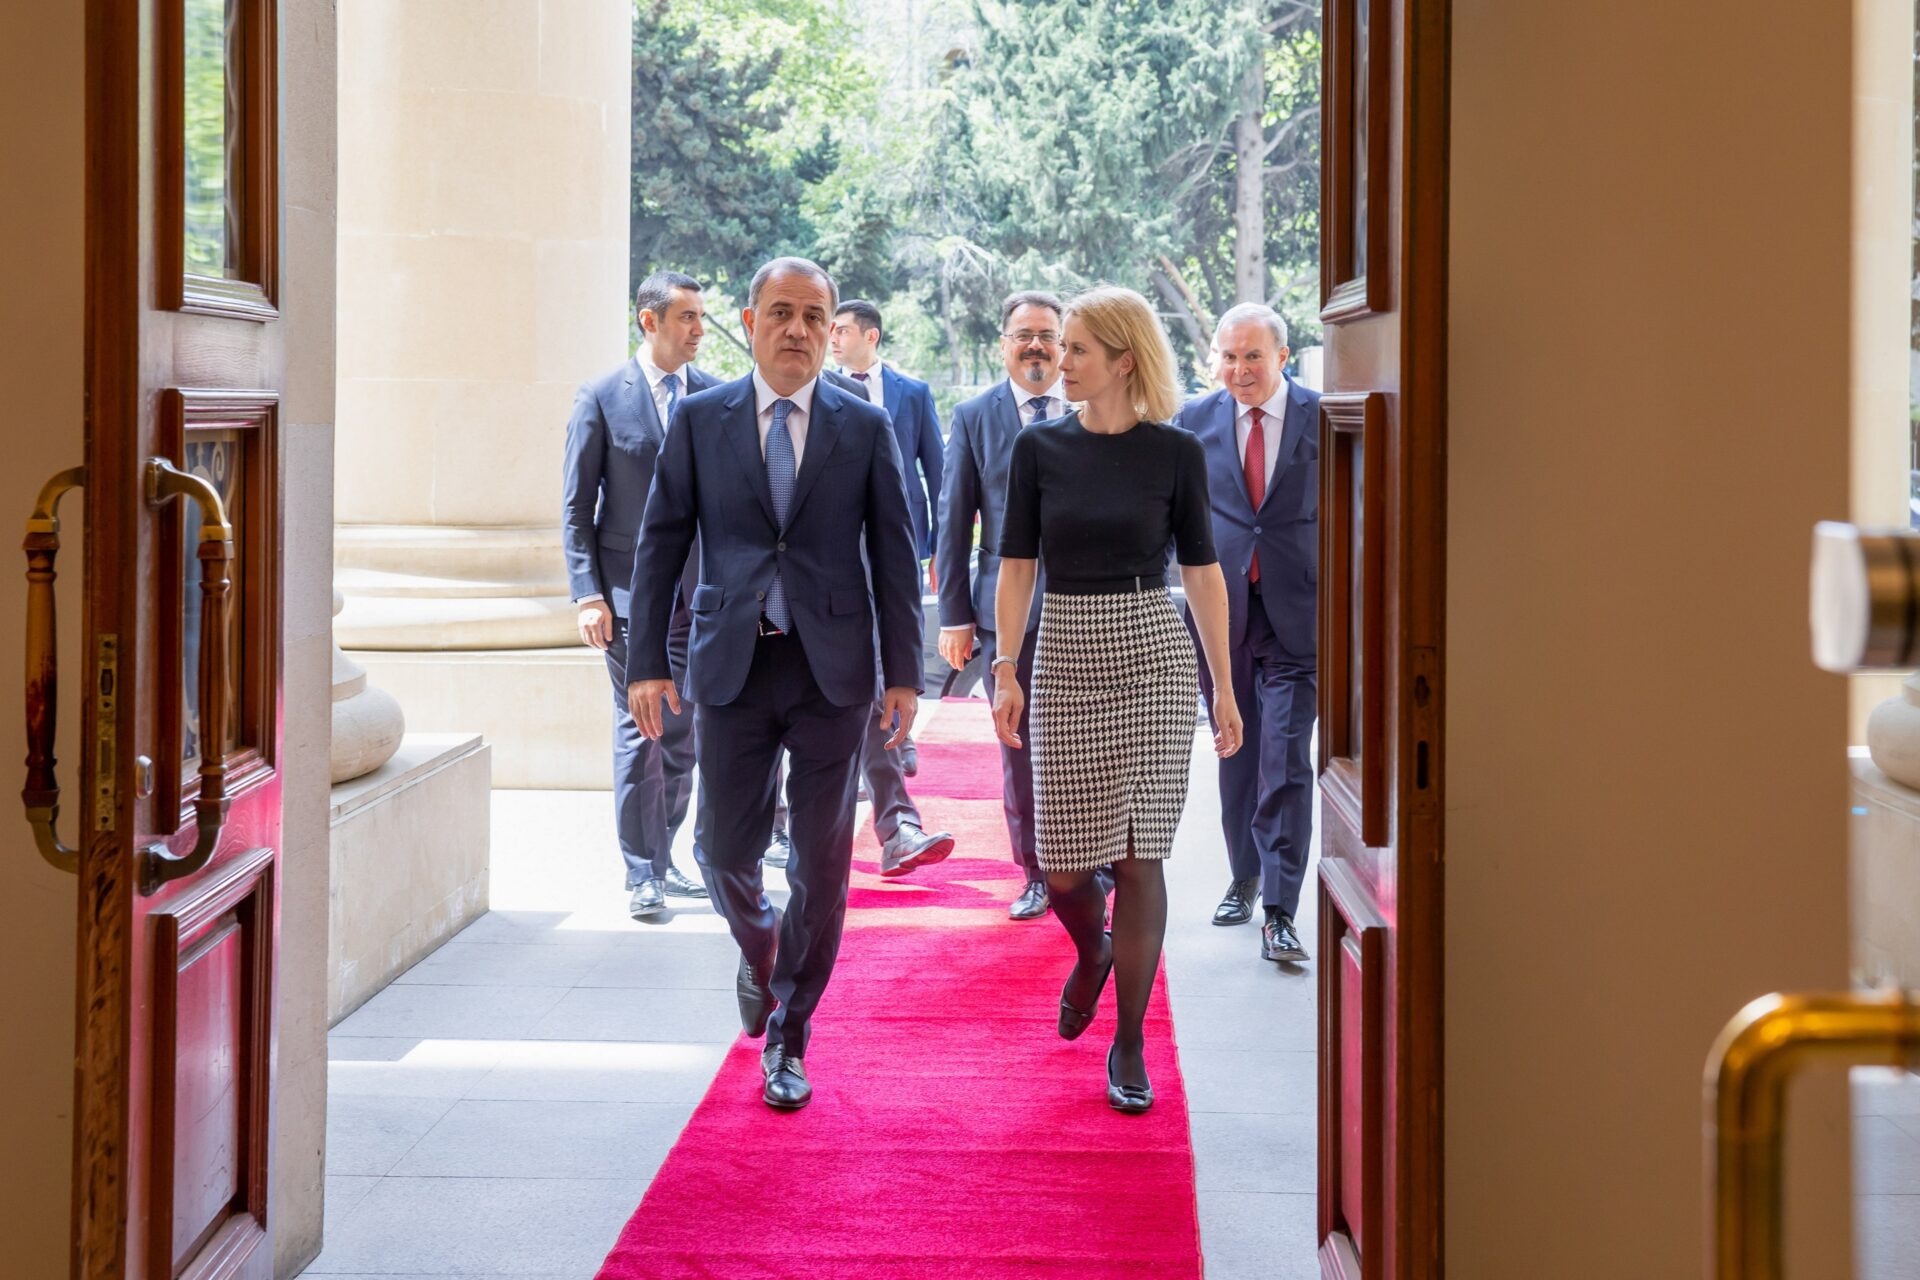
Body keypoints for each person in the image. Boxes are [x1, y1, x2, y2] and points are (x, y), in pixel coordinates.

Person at [626, 257, 924, 1111]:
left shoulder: (864, 425)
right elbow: (661, 543)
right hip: (733, 661)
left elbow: (895, 554)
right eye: (782, 312)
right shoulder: (701, 420)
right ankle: (761, 946)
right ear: (751, 322)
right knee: (722, 849)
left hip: (833, 669)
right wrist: (647, 661)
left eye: (814, 316)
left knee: (824, 866)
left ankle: (790, 1034)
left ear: (832, 331)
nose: (798, 329)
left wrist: (904, 673)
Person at [991, 285, 1242, 1112]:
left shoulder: (1176, 452)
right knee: (1063, 868)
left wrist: (1222, 687)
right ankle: (1093, 953)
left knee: (1139, 856)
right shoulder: (1038, 449)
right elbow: (1017, 567)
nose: (1059, 361)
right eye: (1060, 347)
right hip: (1063, 652)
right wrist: (1006, 667)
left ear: (1124, 361)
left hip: (1151, 659)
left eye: (1077, 350)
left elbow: (1202, 573)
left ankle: (1129, 1039)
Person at [561, 270, 714, 920]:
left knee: (682, 737)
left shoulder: (714, 395)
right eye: (686, 317)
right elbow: (576, 508)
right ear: (649, 321)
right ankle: (641, 873)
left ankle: (664, 855)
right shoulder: (601, 397)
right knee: (639, 731)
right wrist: (587, 594)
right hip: (626, 600)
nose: (699, 329)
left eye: (701, 317)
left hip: (698, 600)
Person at [1175, 303, 1319, 963]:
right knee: (1234, 748)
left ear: (1282, 357)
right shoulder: (1193, 420)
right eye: (1229, 357)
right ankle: (1244, 874)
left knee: (1284, 758)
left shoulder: (1323, 416)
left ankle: (1280, 911)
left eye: (1253, 356)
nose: (1240, 370)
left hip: (1298, 612)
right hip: (1220, 612)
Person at [937, 290, 1070, 919]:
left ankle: (1092, 866)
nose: (1035, 346)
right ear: (1004, 345)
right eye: (1024, 335)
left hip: (1084, 602)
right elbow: (953, 518)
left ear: (1064, 343)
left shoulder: (1092, 403)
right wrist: (955, 615)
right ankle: (1036, 873)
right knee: (1018, 746)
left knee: (1082, 745)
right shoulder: (973, 416)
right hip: (1003, 614)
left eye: (1046, 335)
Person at [830, 299, 945, 779]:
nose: (832, 338)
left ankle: (902, 729)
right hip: (838, 535)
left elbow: (937, 470)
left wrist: (941, 548)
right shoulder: (821, 388)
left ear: (870, 336)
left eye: (842, 330)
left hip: (901, 535)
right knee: (855, 635)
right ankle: (862, 739)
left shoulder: (912, 392)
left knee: (898, 626)